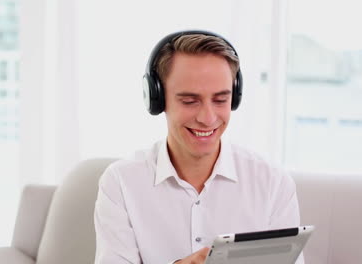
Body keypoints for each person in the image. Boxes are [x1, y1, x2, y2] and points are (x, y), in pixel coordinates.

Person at [94, 30, 303, 264]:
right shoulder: (121, 183)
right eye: (190, 101)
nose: (208, 118)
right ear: (157, 99)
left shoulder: (272, 183)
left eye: (221, 100)